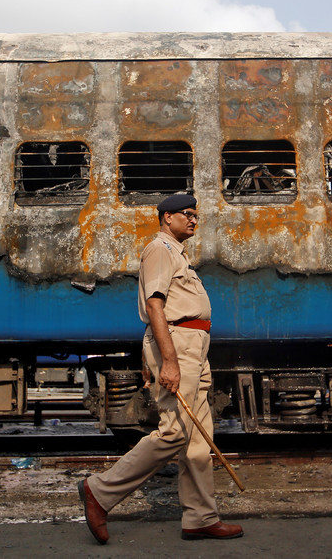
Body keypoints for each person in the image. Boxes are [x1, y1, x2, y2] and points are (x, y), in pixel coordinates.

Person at [78, 194, 244, 545]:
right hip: (178, 346)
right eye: (188, 214)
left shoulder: (178, 253)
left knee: (199, 439)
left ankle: (201, 518)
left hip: (193, 347)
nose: (194, 220)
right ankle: (100, 491)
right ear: (167, 217)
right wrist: (167, 360)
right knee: (175, 433)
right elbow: (155, 305)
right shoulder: (159, 249)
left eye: (196, 215)